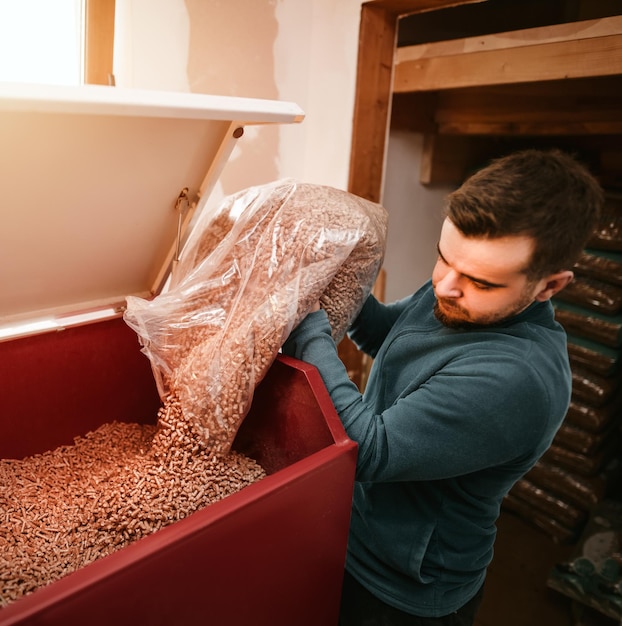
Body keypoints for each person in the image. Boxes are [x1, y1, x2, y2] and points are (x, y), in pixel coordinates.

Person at [281, 149, 604, 625]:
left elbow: (366, 449)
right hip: (355, 530)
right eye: (443, 258)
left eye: (479, 281)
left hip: (400, 588)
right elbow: (384, 332)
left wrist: (304, 312)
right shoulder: (458, 290)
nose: (445, 286)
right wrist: (333, 275)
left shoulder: (515, 379)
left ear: (549, 286)